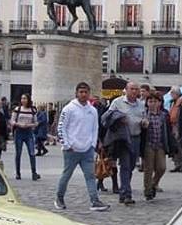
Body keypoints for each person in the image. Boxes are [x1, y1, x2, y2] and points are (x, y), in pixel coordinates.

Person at [54, 82, 109, 212]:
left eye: (86, 92)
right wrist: (66, 144)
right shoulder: (69, 109)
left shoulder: (93, 110)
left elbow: (95, 128)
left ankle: (94, 200)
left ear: (89, 94)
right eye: (81, 92)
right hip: (71, 149)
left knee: (90, 176)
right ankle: (59, 197)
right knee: (67, 175)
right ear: (76, 93)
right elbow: (61, 127)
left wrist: (92, 144)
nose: (83, 94)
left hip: (87, 149)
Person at [109, 82, 146, 205]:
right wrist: (118, 119)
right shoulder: (117, 103)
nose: (134, 91)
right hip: (123, 138)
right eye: (132, 89)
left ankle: (123, 191)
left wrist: (144, 122)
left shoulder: (141, 105)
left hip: (136, 137)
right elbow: (107, 117)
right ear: (126, 90)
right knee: (125, 165)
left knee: (130, 166)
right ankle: (126, 194)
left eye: (136, 89)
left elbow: (144, 117)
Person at [142, 93, 171, 201]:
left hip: (160, 145)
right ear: (147, 103)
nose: (153, 104)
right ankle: (148, 191)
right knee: (148, 169)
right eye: (150, 101)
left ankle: (153, 183)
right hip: (148, 144)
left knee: (161, 167)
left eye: (155, 101)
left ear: (160, 103)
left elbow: (167, 130)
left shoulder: (163, 115)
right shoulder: (144, 114)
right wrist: (143, 124)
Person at [10, 94, 40, 180]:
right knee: (18, 153)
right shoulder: (17, 109)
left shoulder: (32, 110)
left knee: (32, 152)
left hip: (28, 132)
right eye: (22, 98)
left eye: (25, 98)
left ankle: (34, 172)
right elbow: (12, 121)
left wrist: (29, 125)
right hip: (19, 132)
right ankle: (18, 173)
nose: (23, 100)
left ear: (28, 99)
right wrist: (19, 124)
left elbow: (36, 122)